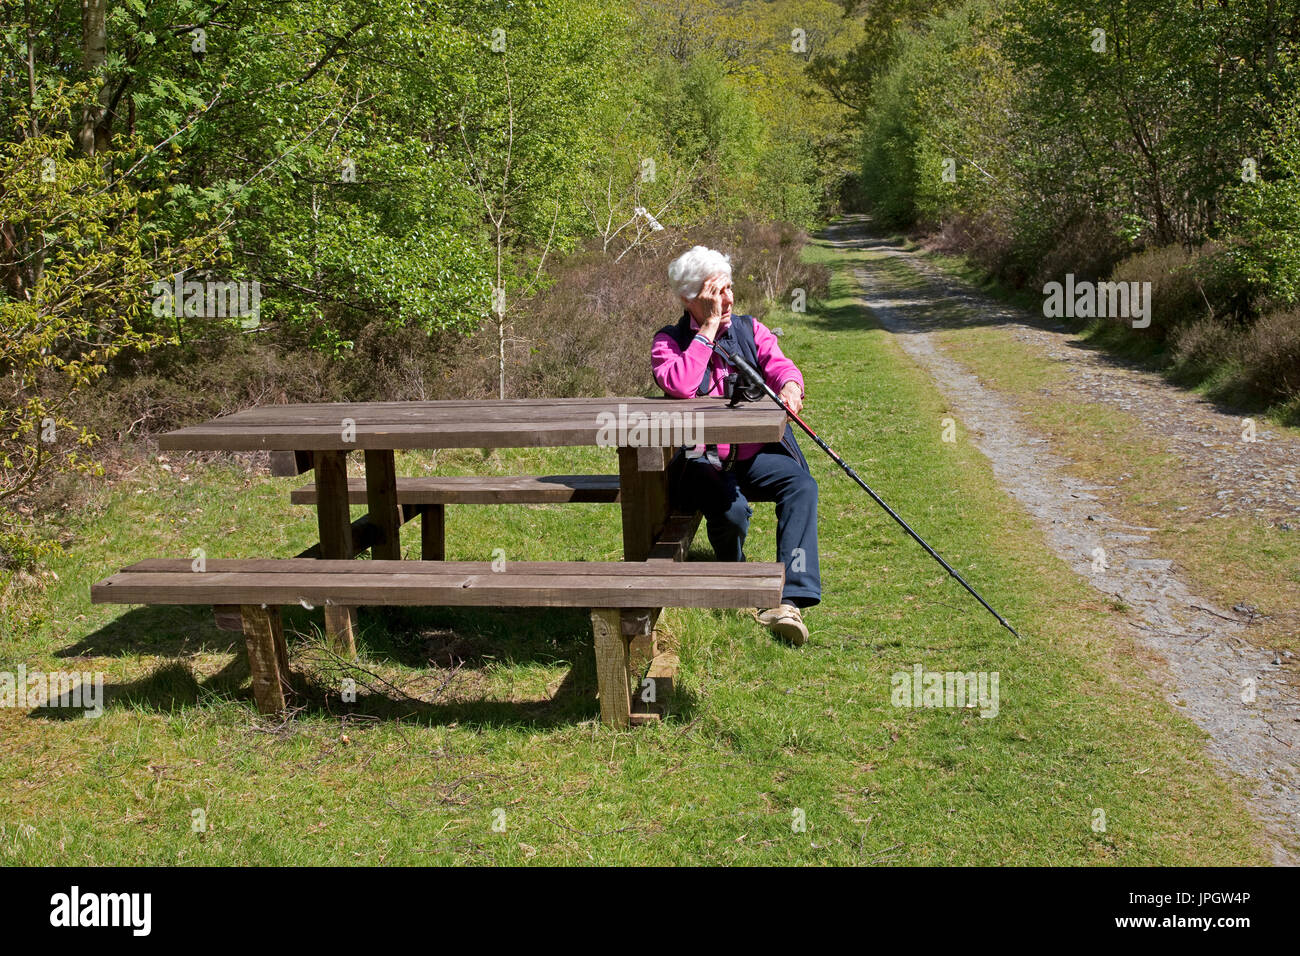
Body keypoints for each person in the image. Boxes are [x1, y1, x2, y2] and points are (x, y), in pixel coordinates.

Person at [651, 245, 821, 645]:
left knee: (800, 486)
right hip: (701, 456)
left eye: (728, 289)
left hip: (753, 453)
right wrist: (707, 331)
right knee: (732, 513)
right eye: (715, 293)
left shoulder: (749, 329)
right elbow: (679, 385)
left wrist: (792, 386)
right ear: (688, 299)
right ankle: (735, 572)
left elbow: (780, 364)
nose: (726, 300)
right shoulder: (669, 341)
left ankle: (790, 600)